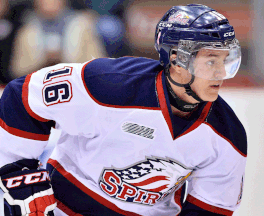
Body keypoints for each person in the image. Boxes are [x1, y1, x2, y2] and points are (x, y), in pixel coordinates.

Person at [0, 4, 247, 216]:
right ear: (176, 61)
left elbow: (210, 210)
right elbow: (22, 96)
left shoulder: (228, 136)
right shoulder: (108, 83)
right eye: (211, 61)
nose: (221, 73)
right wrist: (17, 170)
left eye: (225, 60)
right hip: (63, 208)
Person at [9, 0, 107, 79]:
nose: (50, 3)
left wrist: (65, 61)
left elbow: (98, 64)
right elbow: (16, 71)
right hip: (39, 87)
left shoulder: (83, 25)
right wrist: (43, 61)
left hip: (76, 83)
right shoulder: (27, 30)